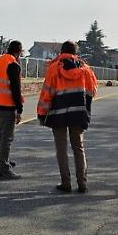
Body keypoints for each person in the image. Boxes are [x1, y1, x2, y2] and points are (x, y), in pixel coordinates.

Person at [37, 41, 98, 193]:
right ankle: (82, 183)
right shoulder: (85, 69)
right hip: (78, 114)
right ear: (76, 53)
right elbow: (92, 91)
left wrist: (41, 114)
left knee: (61, 148)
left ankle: (66, 183)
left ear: (61, 52)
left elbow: (47, 93)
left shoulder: (54, 68)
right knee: (78, 147)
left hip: (58, 115)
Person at [0, 40, 24, 179]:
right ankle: (4, 168)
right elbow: (16, 89)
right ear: (19, 52)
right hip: (7, 107)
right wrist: (19, 109)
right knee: (6, 138)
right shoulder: (13, 65)